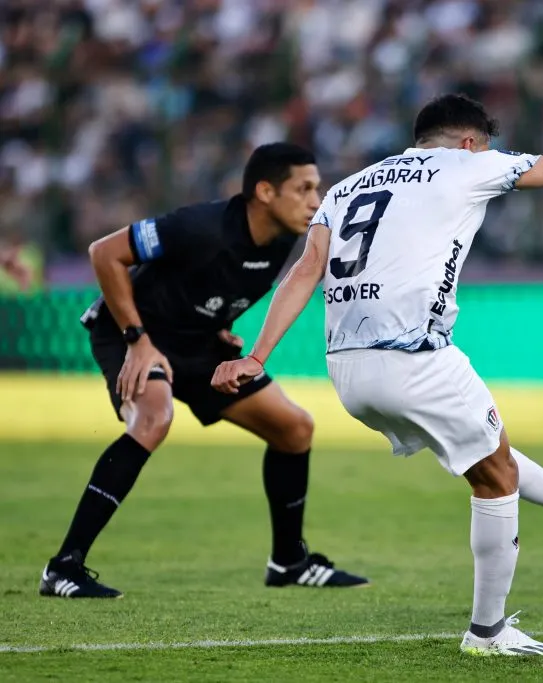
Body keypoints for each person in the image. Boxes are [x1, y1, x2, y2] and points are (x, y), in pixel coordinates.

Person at [211, 95, 543, 655]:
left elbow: (304, 272)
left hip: (347, 370)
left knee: (488, 451)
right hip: (414, 357)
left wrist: (256, 358)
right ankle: (488, 632)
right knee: (495, 478)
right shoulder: (468, 165)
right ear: (470, 142)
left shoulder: (347, 187)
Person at [40, 143, 368, 599]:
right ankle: (63, 567)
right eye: (305, 188)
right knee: (154, 418)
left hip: (197, 343)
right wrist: (137, 340)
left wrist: (221, 329)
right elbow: (103, 253)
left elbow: (214, 286)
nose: (317, 199)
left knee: (294, 428)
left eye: (318, 187)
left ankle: (289, 561)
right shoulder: (199, 226)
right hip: (132, 334)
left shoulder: (285, 237)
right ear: (266, 192)